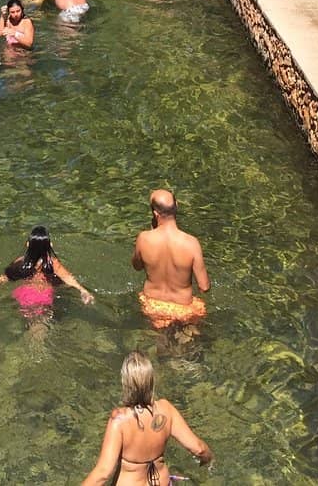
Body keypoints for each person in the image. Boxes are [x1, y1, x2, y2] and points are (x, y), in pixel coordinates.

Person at [80, 351, 212, 485]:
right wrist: (209, 462)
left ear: (125, 382)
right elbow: (199, 449)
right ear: (151, 380)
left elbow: (103, 473)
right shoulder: (166, 409)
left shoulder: (119, 420)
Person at [132, 189, 210, 330]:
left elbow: (137, 266)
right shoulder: (191, 243)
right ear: (177, 205)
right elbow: (204, 287)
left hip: (152, 305)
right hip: (183, 310)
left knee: (158, 345)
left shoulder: (143, 238)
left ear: (155, 214)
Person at [0, 225, 94, 313]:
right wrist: (83, 290)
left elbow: (5, 277)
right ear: (50, 245)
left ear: (28, 244)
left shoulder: (21, 261)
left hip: (23, 293)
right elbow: (68, 278)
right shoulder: (53, 263)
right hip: (43, 295)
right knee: (39, 330)